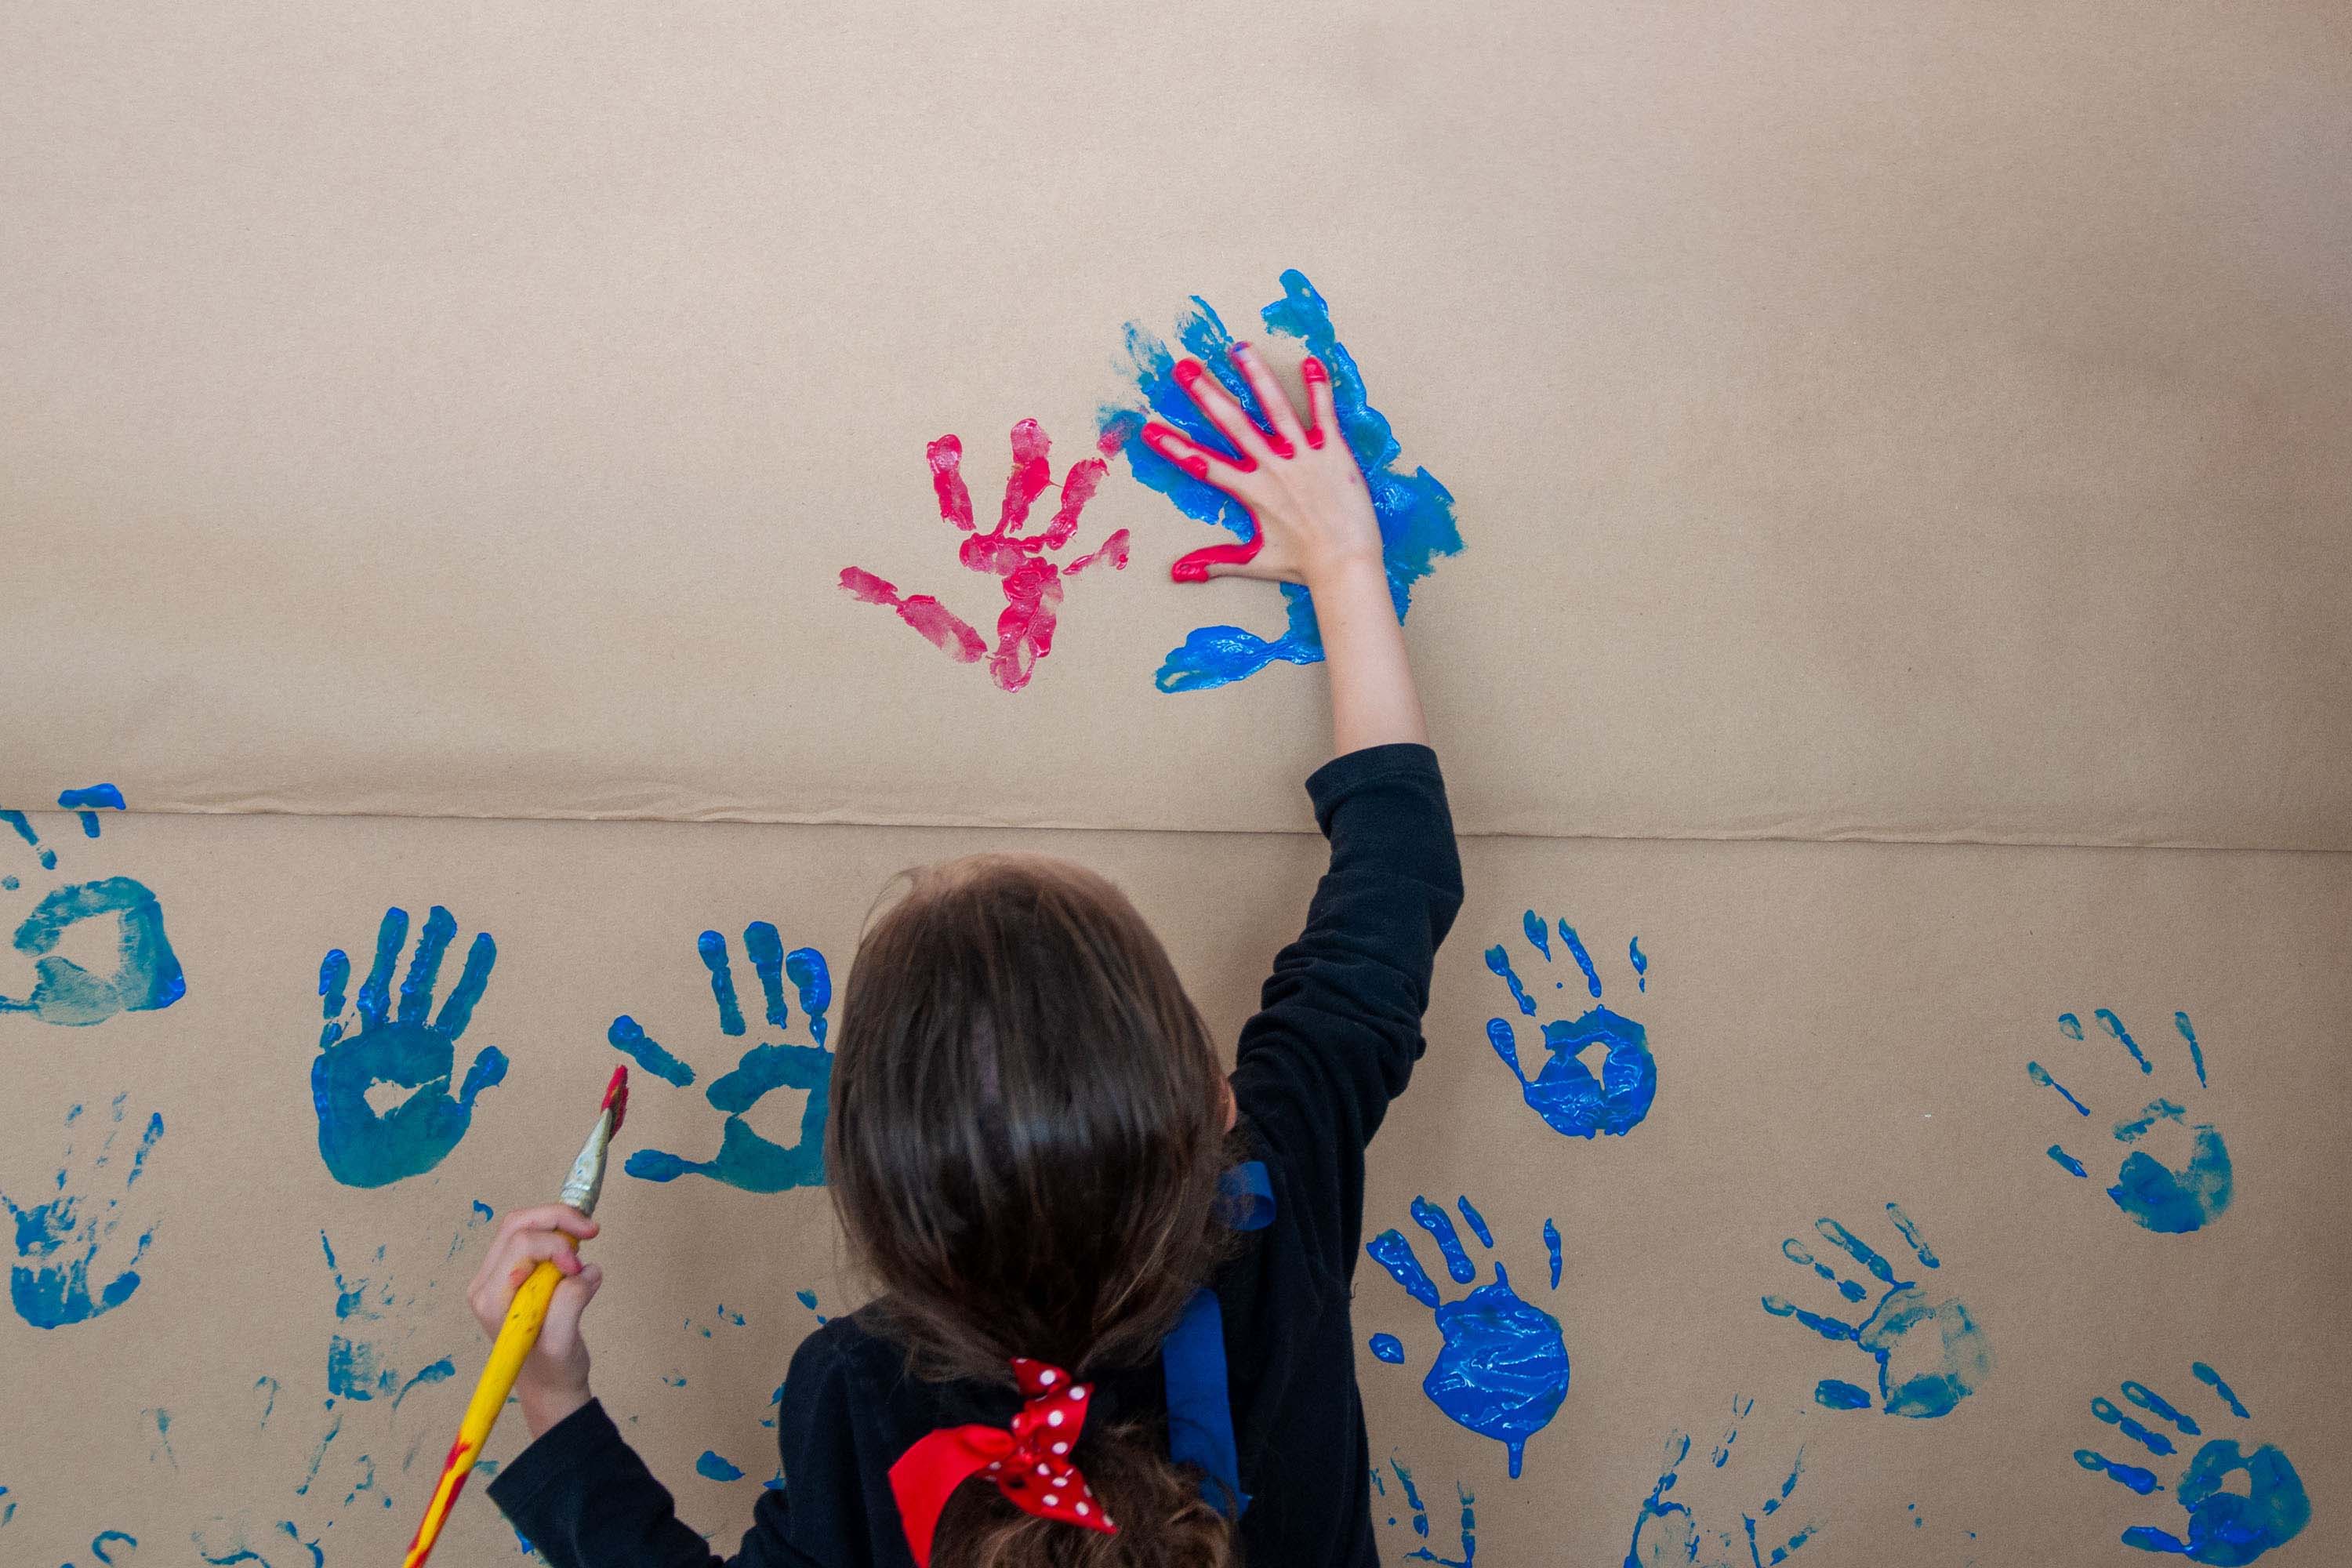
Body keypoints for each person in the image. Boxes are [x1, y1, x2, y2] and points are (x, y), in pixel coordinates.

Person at [471, 340, 1463, 1567]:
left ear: (878, 1207)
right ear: (1214, 1102)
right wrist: (1346, 561)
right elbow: (1397, 888)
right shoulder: (1278, 1197)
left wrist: (553, 1398)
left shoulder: (857, 1395)